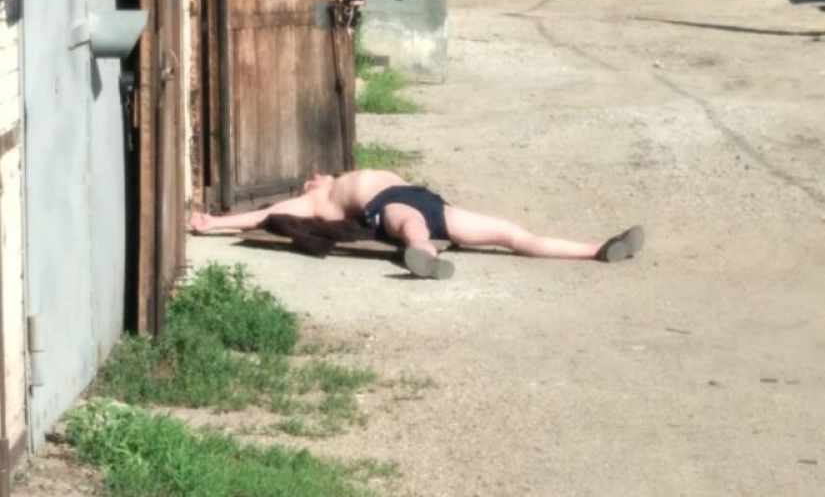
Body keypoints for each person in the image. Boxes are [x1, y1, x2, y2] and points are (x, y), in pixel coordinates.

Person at [189, 169, 644, 280]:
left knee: (511, 233)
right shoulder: (316, 199)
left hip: (430, 200)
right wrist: (214, 223)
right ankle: (424, 260)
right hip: (388, 205)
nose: (315, 175)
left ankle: (599, 248)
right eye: (310, 178)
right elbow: (264, 216)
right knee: (414, 231)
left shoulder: (342, 177)